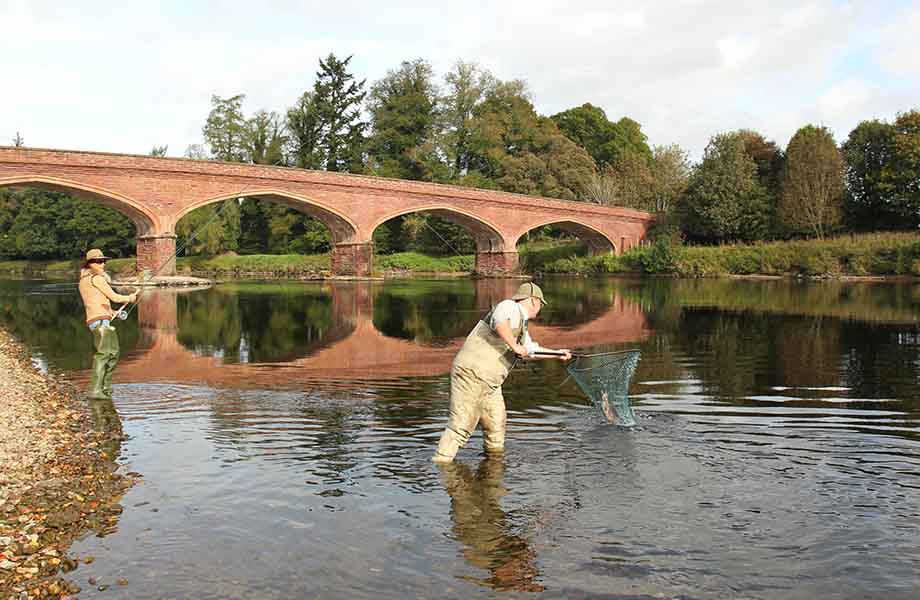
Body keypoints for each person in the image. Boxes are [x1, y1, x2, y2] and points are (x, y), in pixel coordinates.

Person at [432, 282, 571, 463]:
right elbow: (499, 322)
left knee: (496, 423)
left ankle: (493, 464)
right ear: (534, 301)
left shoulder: (521, 323)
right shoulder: (509, 306)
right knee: (461, 426)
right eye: (540, 305)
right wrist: (514, 346)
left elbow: (529, 349)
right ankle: (441, 465)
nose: (540, 309)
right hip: (471, 374)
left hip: (490, 383)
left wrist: (557, 354)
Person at [77, 249, 138, 400]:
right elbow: (114, 297)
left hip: (99, 319)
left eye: (103, 261)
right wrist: (130, 298)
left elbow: (95, 302)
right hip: (100, 321)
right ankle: (96, 390)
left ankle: (105, 388)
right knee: (104, 354)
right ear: (89, 263)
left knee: (113, 353)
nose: (102, 264)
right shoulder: (97, 279)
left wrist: (112, 312)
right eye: (98, 261)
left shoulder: (83, 281)